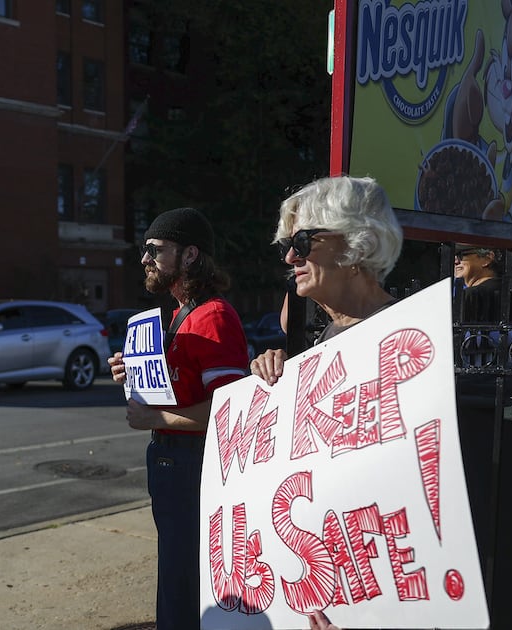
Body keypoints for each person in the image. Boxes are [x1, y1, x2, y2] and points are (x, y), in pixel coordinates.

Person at [106, 207, 249, 630]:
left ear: (189, 255)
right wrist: (132, 372)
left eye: (155, 249)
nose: (145, 258)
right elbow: (179, 387)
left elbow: (230, 410)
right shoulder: (179, 314)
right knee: (175, 577)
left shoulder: (214, 316)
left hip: (194, 467)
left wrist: (156, 416)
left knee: (185, 585)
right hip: (174, 464)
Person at [250, 176, 403, 386]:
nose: (290, 257)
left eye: (303, 241)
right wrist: (283, 375)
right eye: (288, 245)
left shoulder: (406, 332)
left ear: (356, 242)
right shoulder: (328, 336)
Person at [453, 244, 504, 323]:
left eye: (461, 255)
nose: (456, 261)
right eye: (454, 256)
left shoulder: (470, 294)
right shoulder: (508, 290)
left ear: (486, 259)